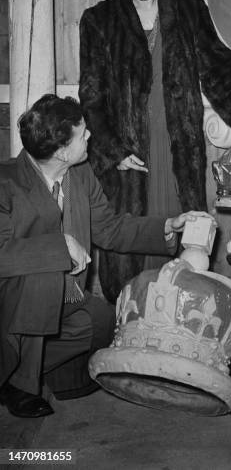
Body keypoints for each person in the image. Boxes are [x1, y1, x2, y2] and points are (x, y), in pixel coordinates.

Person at [78, 0, 231, 303]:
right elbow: (91, 94)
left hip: (178, 143)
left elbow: (216, 64)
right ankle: (129, 316)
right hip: (128, 152)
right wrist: (112, 149)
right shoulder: (99, 19)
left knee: (187, 234)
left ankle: (179, 316)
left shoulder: (187, 6)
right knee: (130, 238)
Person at [0, 94, 213, 418]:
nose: (90, 136)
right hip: (12, 301)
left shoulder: (81, 174)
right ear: (60, 150)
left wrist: (169, 227)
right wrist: (61, 246)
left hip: (65, 298)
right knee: (41, 279)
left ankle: (21, 367)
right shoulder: (5, 181)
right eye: (82, 132)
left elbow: (110, 229)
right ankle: (21, 386)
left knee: (104, 321)